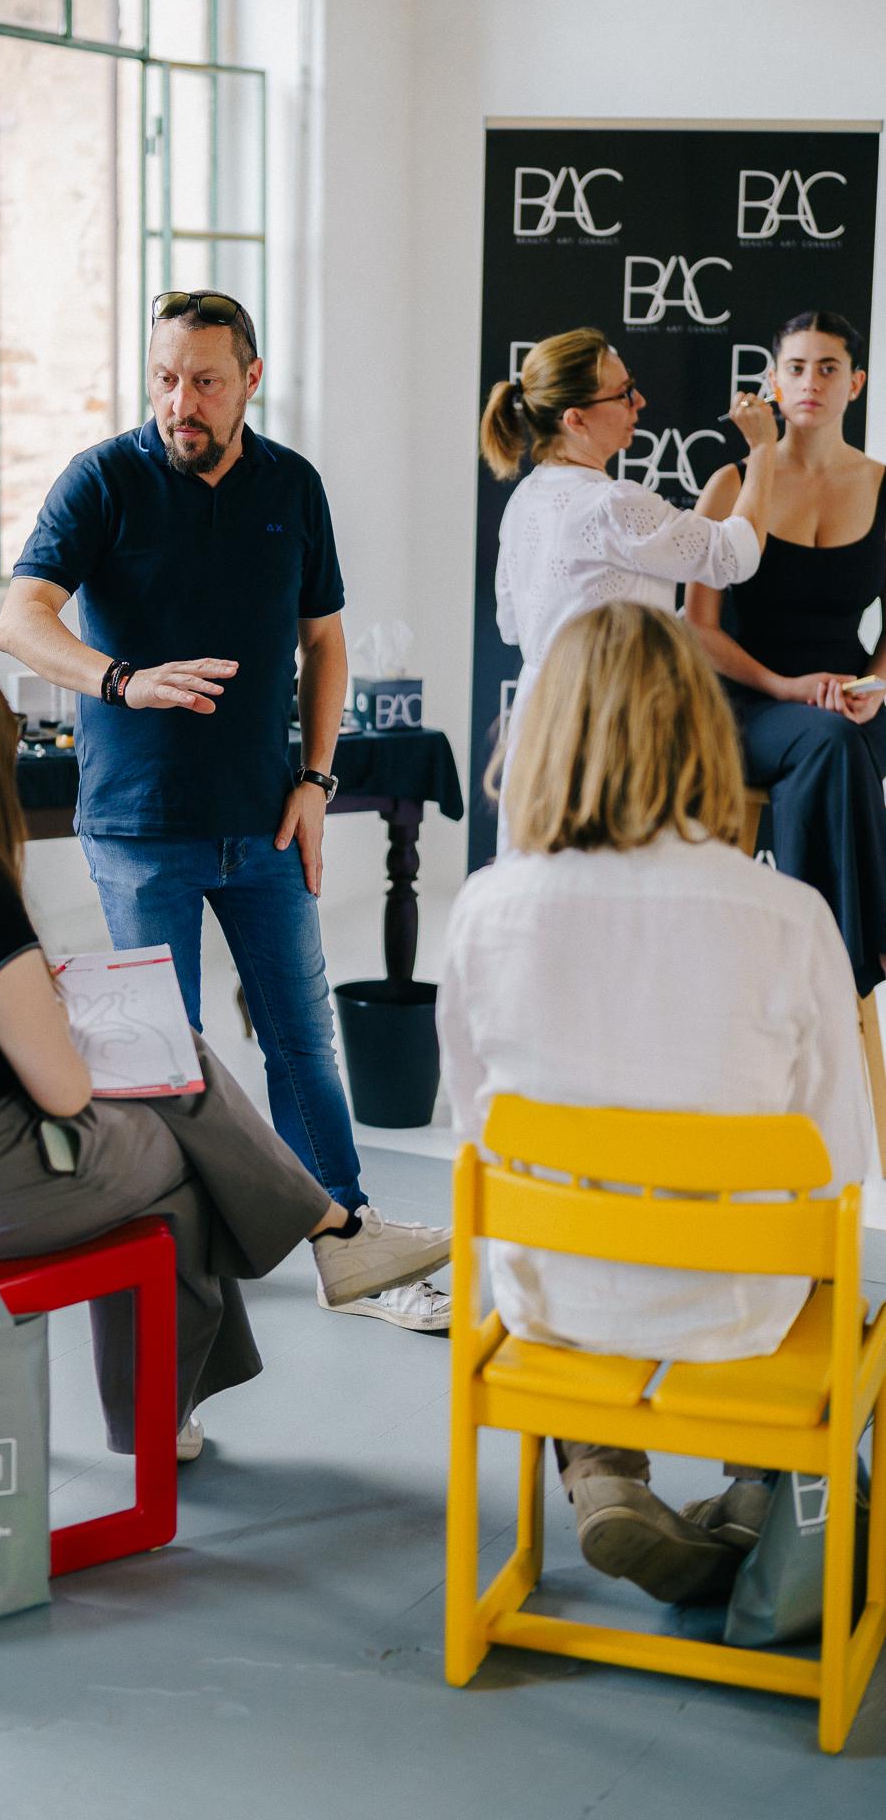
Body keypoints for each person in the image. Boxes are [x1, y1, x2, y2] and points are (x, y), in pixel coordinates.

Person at [0, 655, 454, 1463]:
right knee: (187, 1160)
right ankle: (254, 1315)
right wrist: (72, 1029)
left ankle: (325, 1240)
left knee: (180, 1066)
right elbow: (59, 1094)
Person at [0, 288, 448, 1333]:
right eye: (163, 378)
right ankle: (185, 1261)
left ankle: (351, 1245)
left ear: (249, 378)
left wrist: (318, 780)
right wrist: (119, 680)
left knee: (301, 1040)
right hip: (139, 829)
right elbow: (21, 616)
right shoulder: (103, 479)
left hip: (265, 823)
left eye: (202, 379)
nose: (178, 402)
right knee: (172, 1052)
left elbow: (323, 639)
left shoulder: (293, 484)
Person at [439, 602, 871, 1604]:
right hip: (739, 1310)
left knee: (569, 1240)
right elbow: (839, 1164)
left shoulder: (485, 910)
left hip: (557, 1299)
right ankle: (761, 1491)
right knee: (827, 1273)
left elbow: (477, 1130)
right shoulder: (787, 916)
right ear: (700, 731)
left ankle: (596, 1471)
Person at [480, 325, 776, 844]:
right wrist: (765, 450)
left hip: (544, 718)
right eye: (622, 394)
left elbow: (511, 624)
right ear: (575, 420)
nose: (638, 400)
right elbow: (736, 553)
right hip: (613, 725)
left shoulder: (524, 498)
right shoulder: (613, 505)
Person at [684, 310, 886, 996]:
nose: (810, 382)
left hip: (846, 698)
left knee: (835, 742)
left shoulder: (882, 486)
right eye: (795, 368)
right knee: (827, 743)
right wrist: (786, 687)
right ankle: (850, 958)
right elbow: (699, 630)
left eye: (827, 368)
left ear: (854, 383)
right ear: (772, 381)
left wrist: (876, 685)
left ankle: (812, 958)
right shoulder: (730, 484)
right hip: (745, 699)